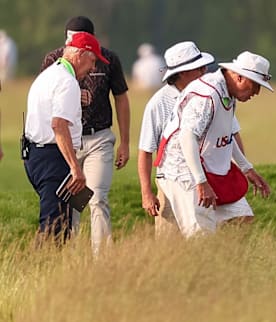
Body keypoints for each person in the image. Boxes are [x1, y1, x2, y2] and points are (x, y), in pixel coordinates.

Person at [154, 51, 272, 238]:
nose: (256, 93)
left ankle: (228, 265)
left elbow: (225, 136)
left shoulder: (229, 94)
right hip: (183, 172)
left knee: (241, 219)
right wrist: (201, 181)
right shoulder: (207, 94)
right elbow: (187, 137)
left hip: (209, 169)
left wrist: (247, 168)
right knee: (201, 238)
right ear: (240, 77)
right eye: (255, 86)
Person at [42, 16, 131, 253]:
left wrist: (125, 142)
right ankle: (71, 256)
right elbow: (43, 97)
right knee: (71, 204)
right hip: (67, 141)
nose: (71, 46)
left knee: (97, 198)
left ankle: (102, 259)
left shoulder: (108, 59)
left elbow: (121, 98)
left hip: (98, 138)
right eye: (69, 40)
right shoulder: (53, 60)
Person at [23, 32, 108, 245]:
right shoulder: (67, 82)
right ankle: (40, 271)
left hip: (35, 154)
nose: (93, 68)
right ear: (80, 54)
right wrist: (74, 167)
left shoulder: (49, 75)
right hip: (53, 158)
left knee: (58, 221)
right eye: (92, 60)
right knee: (55, 226)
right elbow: (58, 125)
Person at [137, 41, 214, 235]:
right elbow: (145, 151)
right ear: (182, 73)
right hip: (170, 184)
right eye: (199, 68)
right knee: (169, 245)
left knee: (205, 241)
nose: (205, 71)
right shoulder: (158, 103)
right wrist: (146, 193)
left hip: (206, 180)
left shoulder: (208, 94)